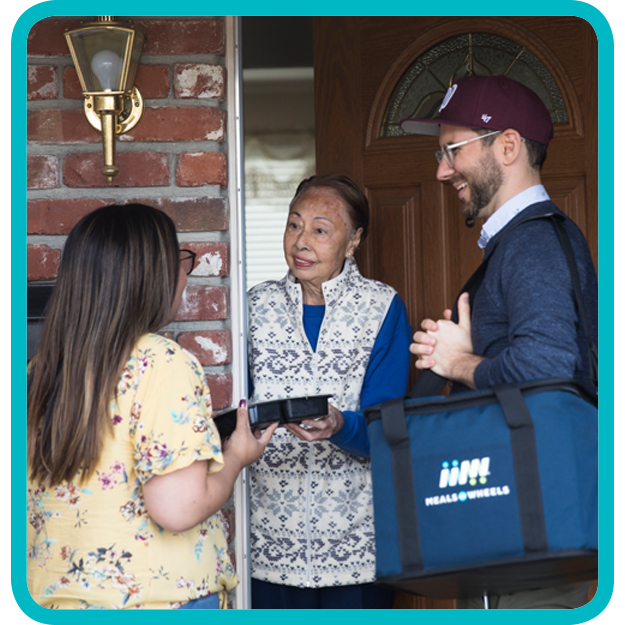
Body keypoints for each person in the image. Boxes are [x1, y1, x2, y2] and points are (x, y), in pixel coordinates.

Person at [402, 75, 598, 609]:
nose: (441, 170)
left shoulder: (533, 241)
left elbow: (549, 362)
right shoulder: (523, 241)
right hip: (523, 538)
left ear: (507, 146)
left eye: (452, 151)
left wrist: (460, 361)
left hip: (535, 552)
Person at [27, 203, 277, 609]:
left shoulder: (40, 370)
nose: (184, 275)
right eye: (178, 259)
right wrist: (235, 457)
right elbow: (178, 509)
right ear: (151, 275)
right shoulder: (161, 361)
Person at [247, 174, 413, 609]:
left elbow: (387, 426)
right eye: (294, 224)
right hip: (268, 547)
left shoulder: (383, 307)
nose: (301, 242)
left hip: (359, 546)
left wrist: (339, 425)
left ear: (354, 240)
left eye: (320, 230)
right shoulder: (253, 307)